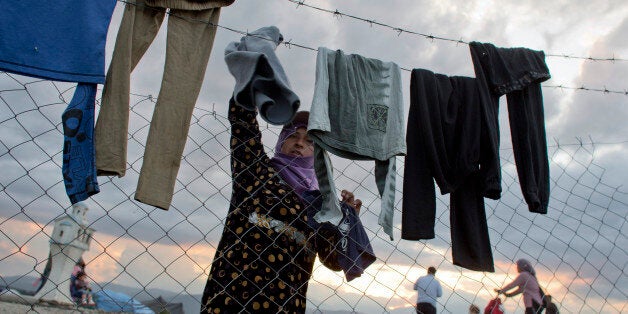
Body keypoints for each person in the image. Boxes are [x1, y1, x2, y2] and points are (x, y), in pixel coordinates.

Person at [200, 100, 364, 313]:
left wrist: (348, 221)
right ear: (281, 140)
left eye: (310, 142)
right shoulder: (257, 173)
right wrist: (253, 82)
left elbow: (333, 260)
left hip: (286, 305)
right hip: (233, 299)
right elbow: (243, 122)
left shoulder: (323, 203)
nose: (299, 144)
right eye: (293, 135)